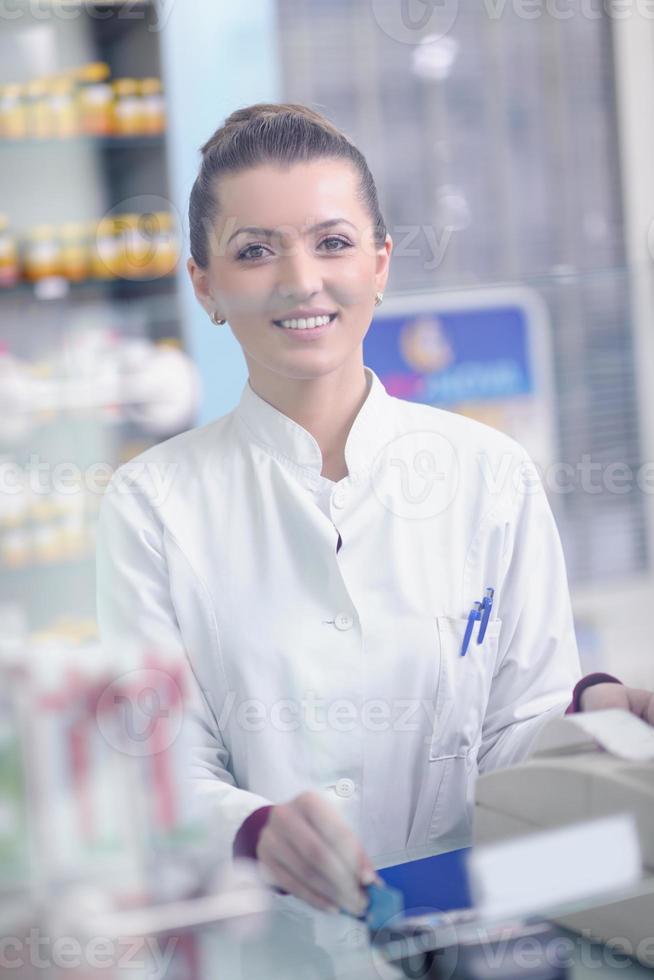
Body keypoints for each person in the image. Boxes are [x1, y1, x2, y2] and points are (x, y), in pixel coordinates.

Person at [95, 103, 654, 919]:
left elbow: (514, 733)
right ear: (205, 286)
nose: (301, 280)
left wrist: (593, 709)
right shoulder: (151, 504)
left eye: (333, 242)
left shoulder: (490, 473)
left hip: (483, 915)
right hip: (277, 936)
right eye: (255, 251)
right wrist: (254, 828)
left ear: (382, 262)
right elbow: (156, 765)